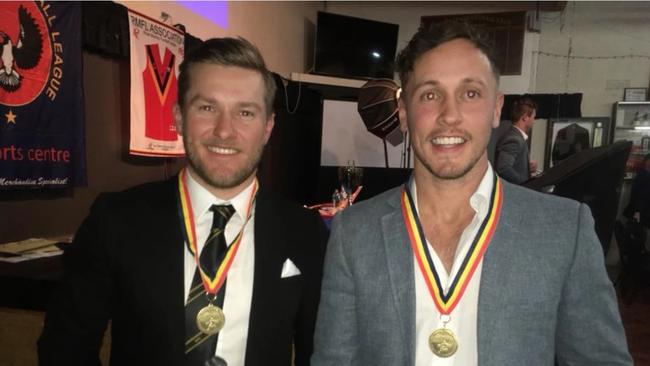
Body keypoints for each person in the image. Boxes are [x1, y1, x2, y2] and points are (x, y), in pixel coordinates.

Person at [311, 21, 631, 366]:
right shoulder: (354, 233)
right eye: (430, 95)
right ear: (404, 113)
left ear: (497, 108)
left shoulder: (565, 230)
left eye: (471, 94)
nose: (450, 116)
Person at [38, 37, 329, 366]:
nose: (224, 131)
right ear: (178, 117)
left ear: (268, 127)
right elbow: (64, 349)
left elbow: (317, 354)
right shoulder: (116, 220)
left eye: (245, 113)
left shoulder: (305, 232)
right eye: (207, 108)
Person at [495, 97, 538, 184]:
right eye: (533, 117)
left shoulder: (516, 137)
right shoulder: (514, 139)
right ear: (525, 117)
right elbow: (503, 168)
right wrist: (525, 185)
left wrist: (527, 168)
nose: (534, 121)